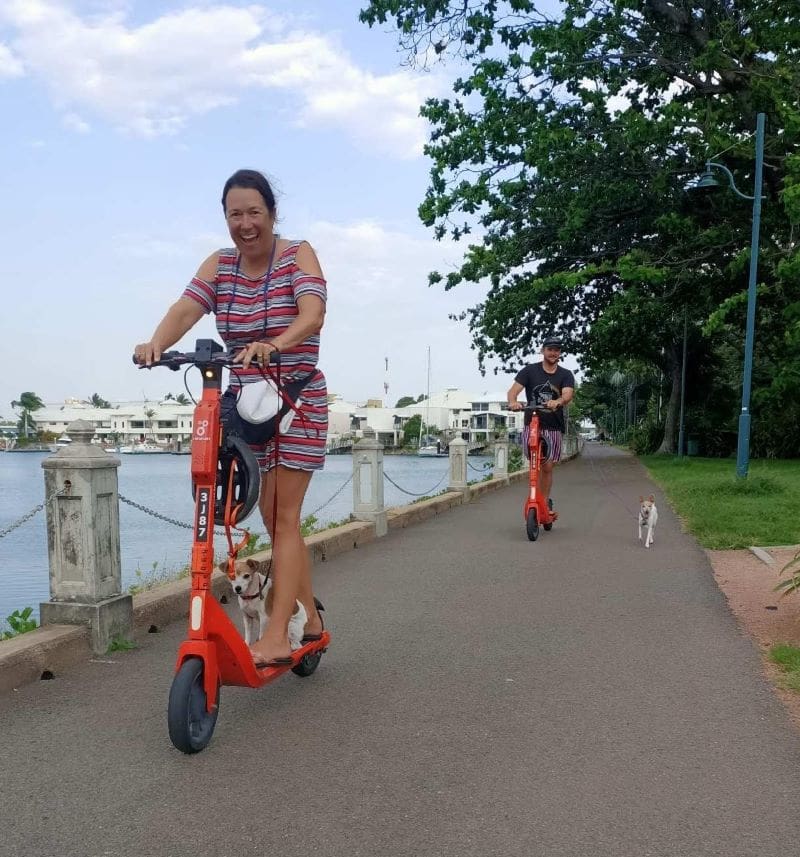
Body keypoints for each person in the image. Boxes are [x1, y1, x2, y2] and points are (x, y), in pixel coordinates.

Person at [134, 168, 327, 668]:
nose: (245, 223)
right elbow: (187, 307)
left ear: (272, 213)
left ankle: (279, 633)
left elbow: (312, 315)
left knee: (284, 518)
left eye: (253, 212)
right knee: (271, 518)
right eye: (234, 214)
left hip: (295, 402)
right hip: (245, 405)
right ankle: (313, 617)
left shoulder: (296, 254)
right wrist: (159, 342)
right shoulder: (220, 265)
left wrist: (274, 345)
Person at [507, 336, 575, 515]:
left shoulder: (565, 374)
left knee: (547, 466)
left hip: (553, 426)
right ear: (543, 350)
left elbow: (568, 395)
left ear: (559, 353)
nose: (553, 353)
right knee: (533, 463)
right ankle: (533, 496)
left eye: (557, 350)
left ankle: (544, 503)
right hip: (533, 423)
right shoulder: (529, 371)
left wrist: (558, 401)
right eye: (550, 349)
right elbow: (513, 392)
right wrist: (514, 402)